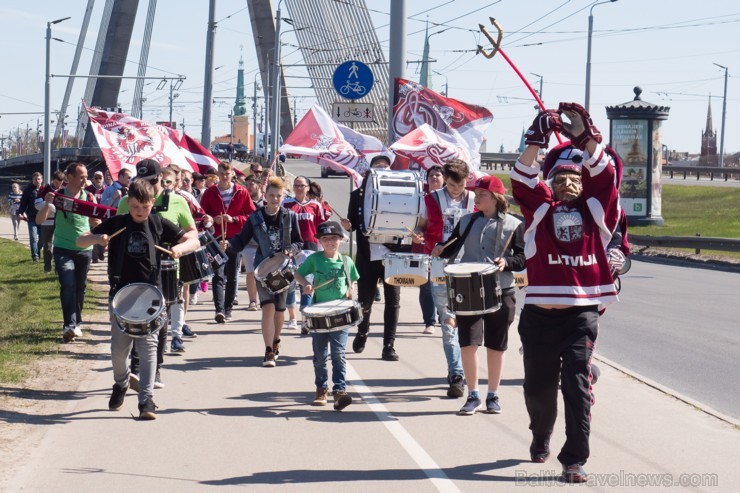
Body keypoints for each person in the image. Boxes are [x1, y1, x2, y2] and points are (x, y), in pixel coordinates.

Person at [511, 103, 620, 483]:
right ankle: (541, 433)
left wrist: (587, 141)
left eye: (575, 175)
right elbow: (522, 177)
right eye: (560, 176)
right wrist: (534, 138)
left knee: (576, 385)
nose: (568, 181)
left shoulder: (596, 208)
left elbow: (605, 176)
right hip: (539, 316)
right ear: (551, 179)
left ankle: (574, 459)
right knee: (538, 390)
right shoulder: (539, 208)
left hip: (580, 315)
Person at [76, 179, 200, 420]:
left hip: (151, 293)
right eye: (134, 207)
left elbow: (193, 240)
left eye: (144, 206)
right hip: (121, 294)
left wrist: (179, 249)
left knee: (148, 346)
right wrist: (96, 239)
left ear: (152, 203)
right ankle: (121, 383)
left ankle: (146, 399)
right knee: (118, 350)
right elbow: (80, 240)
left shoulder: (158, 224)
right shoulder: (118, 222)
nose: (139, 211)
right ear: (127, 204)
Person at [432, 175, 525, 415]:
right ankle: (473, 395)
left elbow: (522, 259)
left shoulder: (514, 224)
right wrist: (440, 249)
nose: (476, 197)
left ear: (495, 197)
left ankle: (493, 395)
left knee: (496, 345)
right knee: (468, 343)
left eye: (481, 194)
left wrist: (507, 261)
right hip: (469, 289)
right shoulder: (466, 221)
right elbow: (451, 247)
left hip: (501, 289)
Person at [117, 160, 197, 378]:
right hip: (134, 266)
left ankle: (156, 368)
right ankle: (135, 366)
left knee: (159, 320)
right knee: (134, 316)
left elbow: (192, 232)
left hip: (167, 268)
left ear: (160, 178)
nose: (149, 186)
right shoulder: (127, 201)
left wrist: (179, 247)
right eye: (143, 182)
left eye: (152, 181)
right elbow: (117, 230)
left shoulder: (178, 201)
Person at [414, 159, 475, 398]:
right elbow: (421, 226)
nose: (455, 190)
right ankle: (456, 373)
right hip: (440, 264)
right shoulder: (431, 199)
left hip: (470, 265)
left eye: (459, 185)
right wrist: (419, 235)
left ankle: (467, 367)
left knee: (467, 322)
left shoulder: (475, 198)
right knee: (448, 321)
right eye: (451, 184)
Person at [228, 177, 303, 367]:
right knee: (267, 307)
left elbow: (299, 242)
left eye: (278, 196)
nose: (275, 199)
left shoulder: (290, 216)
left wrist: (291, 250)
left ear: (283, 196)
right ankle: (268, 350)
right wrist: (229, 245)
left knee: (280, 310)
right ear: (265, 195)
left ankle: (276, 340)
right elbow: (241, 239)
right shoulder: (256, 217)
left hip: (283, 268)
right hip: (263, 268)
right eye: (271, 195)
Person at [340, 154, 406, 362]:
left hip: (391, 257)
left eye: (386, 167)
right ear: (370, 172)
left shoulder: (399, 194)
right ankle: (362, 331)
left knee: (393, 303)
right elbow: (352, 221)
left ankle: (389, 345)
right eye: (378, 167)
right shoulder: (357, 195)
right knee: (365, 301)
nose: (382, 170)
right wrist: (348, 225)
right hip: (368, 256)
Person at [294, 221, 359, 410]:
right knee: (320, 356)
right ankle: (321, 388)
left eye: (333, 238)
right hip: (319, 315)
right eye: (325, 238)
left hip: (339, 315)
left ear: (340, 239)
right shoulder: (315, 259)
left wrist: (350, 291)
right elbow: (298, 274)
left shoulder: (347, 261)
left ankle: (339, 391)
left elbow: (352, 281)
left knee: (338, 354)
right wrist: (305, 284)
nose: (330, 242)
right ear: (320, 241)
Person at [36, 163, 100, 342]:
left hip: (84, 249)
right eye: (81, 176)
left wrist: (98, 226)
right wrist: (47, 204)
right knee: (68, 284)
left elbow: (96, 223)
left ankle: (77, 322)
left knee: (80, 287)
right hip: (63, 248)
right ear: (69, 178)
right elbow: (40, 220)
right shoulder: (57, 197)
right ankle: (68, 325)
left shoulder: (89, 197)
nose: (85, 180)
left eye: (86, 176)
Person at [199, 162, 256, 323]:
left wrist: (234, 219)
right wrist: (211, 219)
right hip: (215, 239)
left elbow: (251, 215)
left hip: (235, 239)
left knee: (232, 275)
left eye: (227, 173)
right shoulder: (210, 192)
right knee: (217, 275)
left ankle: (228, 308)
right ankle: (219, 310)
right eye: (222, 173)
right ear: (218, 173)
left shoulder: (241, 192)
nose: (224, 176)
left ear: (232, 174)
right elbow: (202, 214)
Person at [283, 175, 327, 332]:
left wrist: (323, 249)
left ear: (308, 188)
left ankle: (305, 320)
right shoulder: (286, 203)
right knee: (289, 285)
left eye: (302, 185)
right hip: (290, 250)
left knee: (307, 285)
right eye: (296, 185)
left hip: (310, 249)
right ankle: (292, 317)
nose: (299, 188)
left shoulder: (315, 206)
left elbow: (321, 228)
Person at [415, 165, 444, 334]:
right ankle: (429, 322)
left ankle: (444, 317)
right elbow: (421, 226)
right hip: (427, 249)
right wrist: (417, 234)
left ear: (445, 179)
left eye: (438, 175)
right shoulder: (424, 200)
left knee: (443, 284)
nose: (434, 178)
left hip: (447, 250)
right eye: (431, 175)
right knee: (426, 285)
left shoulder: (453, 199)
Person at [34, 170, 66, 274]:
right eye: (56, 182)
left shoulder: (64, 190)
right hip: (46, 221)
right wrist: (48, 204)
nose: (58, 185)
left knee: (59, 245)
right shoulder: (45, 189)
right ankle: (47, 266)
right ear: (53, 180)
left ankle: (58, 268)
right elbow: (37, 204)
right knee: (47, 245)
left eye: (60, 183)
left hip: (60, 221)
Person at [242, 174, 265, 311]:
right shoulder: (244, 201)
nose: (248, 187)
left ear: (259, 186)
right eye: (247, 184)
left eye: (251, 184)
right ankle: (252, 301)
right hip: (249, 242)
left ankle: (265, 299)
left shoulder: (266, 202)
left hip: (264, 243)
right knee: (250, 272)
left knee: (265, 273)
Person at [17, 172, 43, 262]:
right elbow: (23, 203)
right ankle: (35, 256)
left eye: (39, 179)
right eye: (35, 179)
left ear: (41, 180)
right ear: (32, 180)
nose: (37, 181)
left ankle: (38, 250)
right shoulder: (27, 191)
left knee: (42, 239)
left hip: (43, 217)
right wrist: (20, 213)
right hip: (32, 217)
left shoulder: (45, 190)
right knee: (33, 237)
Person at [86, 171, 108, 262]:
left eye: (100, 178)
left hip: (104, 216)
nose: (98, 180)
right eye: (96, 178)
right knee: (94, 235)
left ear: (103, 179)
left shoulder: (107, 189)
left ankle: (101, 252)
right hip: (92, 216)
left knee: (104, 236)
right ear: (93, 179)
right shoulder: (88, 189)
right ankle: (94, 257)